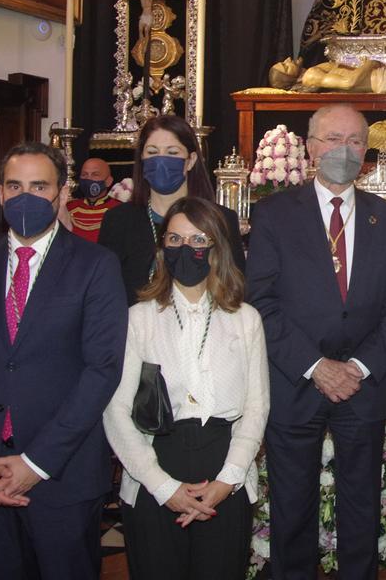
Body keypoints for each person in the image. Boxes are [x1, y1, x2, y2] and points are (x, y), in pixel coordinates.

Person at [0, 142, 127, 580]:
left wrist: (34, 463)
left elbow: (102, 371)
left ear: (61, 193)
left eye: (39, 186)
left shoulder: (96, 265)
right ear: (0, 194)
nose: (26, 196)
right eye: (15, 185)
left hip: (62, 475)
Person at [247, 104, 386, 579]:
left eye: (356, 140)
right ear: (311, 146)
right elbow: (263, 301)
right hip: (295, 382)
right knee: (292, 504)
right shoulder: (274, 214)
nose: (345, 149)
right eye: (333, 138)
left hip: (362, 384)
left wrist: (357, 367)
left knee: (361, 504)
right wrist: (316, 365)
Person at [104, 197, 267, 579]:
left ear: (217, 249)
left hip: (224, 468)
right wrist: (164, 487)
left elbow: (256, 408)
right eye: (175, 240)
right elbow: (115, 411)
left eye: (198, 240)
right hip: (154, 466)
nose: (186, 250)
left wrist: (228, 480)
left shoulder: (246, 319)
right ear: (162, 249)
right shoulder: (138, 319)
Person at [99, 115, 246, 307]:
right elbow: (105, 292)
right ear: (142, 159)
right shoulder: (118, 220)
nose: (161, 160)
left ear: (191, 160)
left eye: (172, 152)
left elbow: (235, 289)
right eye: (152, 152)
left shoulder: (222, 219)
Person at [66, 157, 121, 243]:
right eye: (84, 174)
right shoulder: (69, 208)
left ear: (108, 181)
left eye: (95, 174)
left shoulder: (120, 210)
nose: (88, 179)